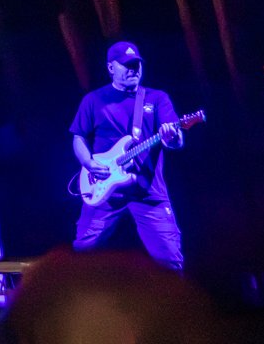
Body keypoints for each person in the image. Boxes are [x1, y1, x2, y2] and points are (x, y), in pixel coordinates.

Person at [69, 41, 186, 270]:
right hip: (104, 191)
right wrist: (88, 163)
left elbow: (176, 141)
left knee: (170, 262)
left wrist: (172, 137)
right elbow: (78, 137)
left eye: (136, 65)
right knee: (82, 255)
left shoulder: (157, 98)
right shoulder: (94, 100)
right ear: (111, 67)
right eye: (127, 65)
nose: (133, 69)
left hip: (148, 193)